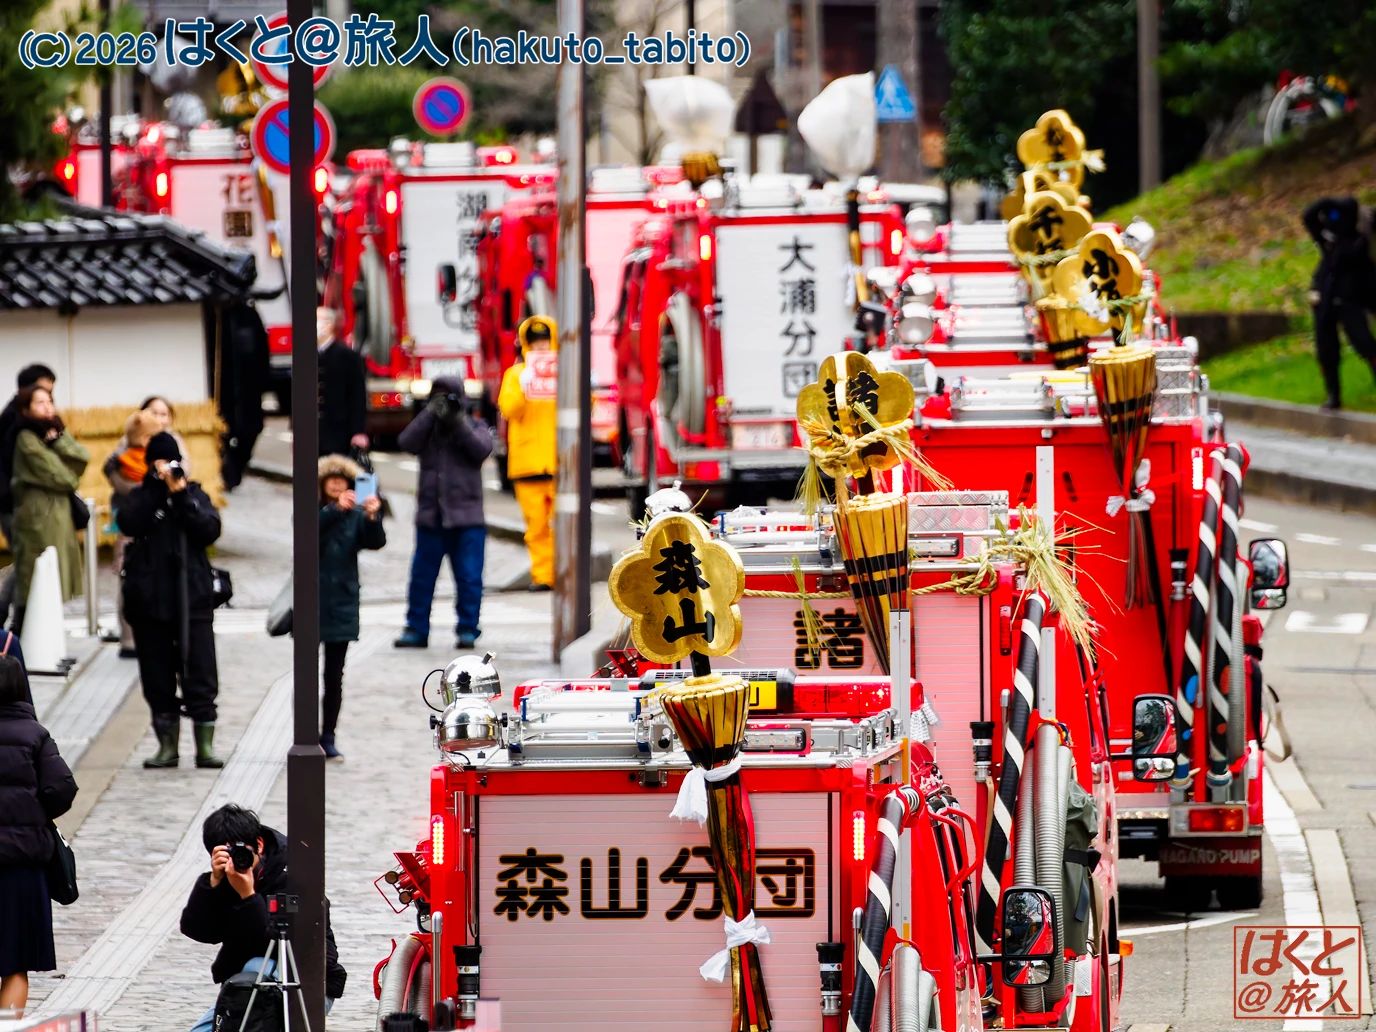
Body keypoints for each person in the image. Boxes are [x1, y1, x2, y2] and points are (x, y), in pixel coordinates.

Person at [180, 805, 346, 1032]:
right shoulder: (227, 877)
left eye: (240, 851)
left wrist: (248, 896)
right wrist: (213, 885)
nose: (236, 860)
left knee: (257, 966)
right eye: (224, 854)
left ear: (259, 844)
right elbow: (199, 931)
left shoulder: (297, 874)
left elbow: (280, 942)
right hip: (246, 988)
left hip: (307, 983)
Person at [120, 432, 224, 769]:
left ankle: (205, 746)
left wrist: (180, 495)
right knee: (157, 675)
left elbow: (209, 529)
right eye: (159, 462)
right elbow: (129, 522)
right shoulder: (141, 496)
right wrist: (155, 489)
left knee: (201, 671)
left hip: (191, 597)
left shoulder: (195, 494)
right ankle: (167, 745)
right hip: (150, 602)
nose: (166, 468)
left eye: (171, 461)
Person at [0, 655, 77, 1016]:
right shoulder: (35, 736)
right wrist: (34, 813)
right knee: (15, 963)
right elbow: (62, 787)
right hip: (23, 864)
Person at [394, 376, 493, 650]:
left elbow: (481, 449)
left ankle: (468, 629)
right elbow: (406, 442)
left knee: (470, 578)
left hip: (467, 519)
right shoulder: (427, 430)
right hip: (431, 517)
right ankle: (416, 628)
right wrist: (429, 414)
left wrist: (457, 420)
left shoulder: (475, 425)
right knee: (422, 578)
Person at [318, 455, 385, 761]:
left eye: (341, 481)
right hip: (312, 599)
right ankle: (305, 731)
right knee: (305, 674)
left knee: (334, 675)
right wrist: (334, 510)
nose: (335, 485)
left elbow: (375, 542)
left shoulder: (355, 514)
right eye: (330, 480)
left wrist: (372, 516)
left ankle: (328, 734)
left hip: (342, 601)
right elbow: (306, 533)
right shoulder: (316, 510)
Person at [8, 385, 88, 636]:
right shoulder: (25, 438)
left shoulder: (51, 435)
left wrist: (59, 440)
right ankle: (21, 642)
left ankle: (45, 643)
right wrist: (66, 466)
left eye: (49, 401)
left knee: (54, 580)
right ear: (26, 408)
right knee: (34, 581)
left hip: (58, 515)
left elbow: (82, 457)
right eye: (39, 402)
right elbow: (63, 476)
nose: (47, 407)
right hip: (37, 519)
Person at [498, 315, 557, 592]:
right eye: (535, 343)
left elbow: (585, 408)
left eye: (545, 342)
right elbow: (509, 410)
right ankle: (543, 576)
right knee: (536, 528)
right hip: (527, 464)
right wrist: (524, 385)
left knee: (563, 525)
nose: (541, 348)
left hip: (559, 463)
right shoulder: (515, 375)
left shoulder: (564, 373)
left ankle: (564, 574)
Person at [1303, 196, 1376, 410]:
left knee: (1365, 344)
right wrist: (1327, 203)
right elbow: (1309, 216)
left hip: (1350, 299)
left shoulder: (1358, 240)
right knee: (1326, 349)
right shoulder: (1328, 238)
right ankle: (1333, 395)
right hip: (1325, 300)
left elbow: (1353, 258)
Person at [103, 408, 164, 658]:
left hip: (142, 530)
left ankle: (138, 638)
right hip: (135, 530)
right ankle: (130, 639)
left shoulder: (121, 459)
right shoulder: (128, 456)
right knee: (129, 579)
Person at [0, 365, 56, 548]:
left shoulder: (33, 423)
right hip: (14, 502)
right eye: (42, 395)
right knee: (28, 561)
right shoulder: (17, 423)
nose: (48, 403)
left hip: (24, 501)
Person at [218, 301, 270, 491]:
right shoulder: (215, 314)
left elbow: (263, 352)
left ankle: (236, 468)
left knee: (251, 430)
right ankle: (228, 471)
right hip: (222, 389)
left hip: (249, 387)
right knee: (223, 432)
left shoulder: (249, 316)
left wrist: (263, 382)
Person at [316, 306, 369, 458]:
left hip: (339, 432)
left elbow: (357, 395)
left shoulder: (347, 356)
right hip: (314, 433)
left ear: (329, 325)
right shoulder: (307, 355)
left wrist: (358, 431)